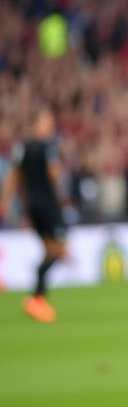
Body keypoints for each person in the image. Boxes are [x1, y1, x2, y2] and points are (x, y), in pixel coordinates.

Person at [1, 109, 68, 323]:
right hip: (48, 204)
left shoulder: (21, 147)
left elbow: (12, 175)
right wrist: (62, 198)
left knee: (49, 250)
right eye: (47, 121)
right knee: (59, 251)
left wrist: (5, 201)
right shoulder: (48, 147)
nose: (50, 126)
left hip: (31, 205)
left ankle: (39, 301)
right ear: (36, 123)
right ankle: (36, 298)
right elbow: (53, 174)